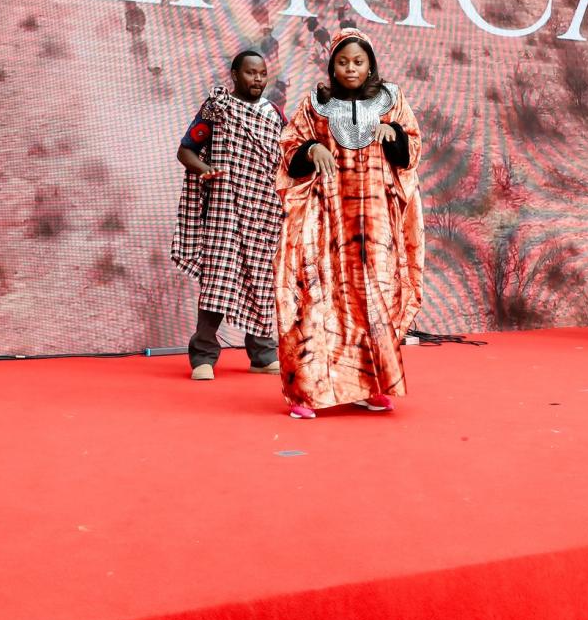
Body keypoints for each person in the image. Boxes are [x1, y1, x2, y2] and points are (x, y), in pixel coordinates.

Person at [273, 29, 424, 419]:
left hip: (376, 224)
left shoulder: (392, 100)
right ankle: (307, 393)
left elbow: (411, 152)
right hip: (326, 218)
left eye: (358, 62)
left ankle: (370, 386)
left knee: (372, 300)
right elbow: (289, 150)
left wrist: (394, 135)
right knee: (318, 297)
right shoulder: (315, 104)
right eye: (343, 62)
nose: (350, 68)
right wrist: (312, 148)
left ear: (370, 64)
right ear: (332, 66)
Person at [172, 51, 287, 381]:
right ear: (235, 75)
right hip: (225, 210)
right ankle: (203, 356)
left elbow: (288, 158)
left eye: (262, 73)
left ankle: (262, 354)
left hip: (264, 213)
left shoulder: (275, 114)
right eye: (251, 73)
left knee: (262, 280)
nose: (258, 79)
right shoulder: (218, 108)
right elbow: (186, 151)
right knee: (219, 279)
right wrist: (205, 170)